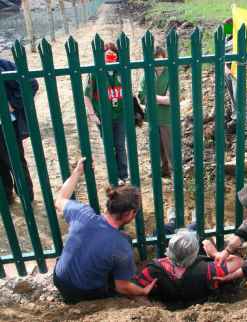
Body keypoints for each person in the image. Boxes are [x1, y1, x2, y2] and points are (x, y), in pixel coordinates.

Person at [53, 158, 155, 303]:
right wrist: (143, 291)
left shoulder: (82, 213)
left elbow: (59, 199)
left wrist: (77, 172)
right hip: (84, 293)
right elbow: (122, 287)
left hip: (60, 280)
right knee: (116, 283)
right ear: (128, 214)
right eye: (135, 212)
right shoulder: (121, 246)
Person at [132, 229, 243, 304]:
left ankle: (174, 222)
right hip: (195, 300)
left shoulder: (153, 270)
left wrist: (152, 306)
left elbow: (134, 290)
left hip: (170, 304)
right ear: (195, 254)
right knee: (194, 229)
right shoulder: (209, 270)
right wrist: (214, 254)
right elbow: (238, 261)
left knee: (163, 229)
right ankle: (192, 225)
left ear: (169, 249)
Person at [84, 42, 129, 186]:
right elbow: (87, 96)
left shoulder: (121, 71)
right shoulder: (95, 73)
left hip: (120, 115)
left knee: (120, 145)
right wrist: (92, 115)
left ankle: (123, 175)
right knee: (110, 146)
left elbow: (127, 92)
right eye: (106, 52)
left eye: (113, 52)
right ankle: (113, 175)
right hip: (104, 117)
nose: (110, 55)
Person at [0, 58, 37, 204]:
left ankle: (26, 196)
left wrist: (12, 104)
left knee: (15, 162)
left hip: (6, 125)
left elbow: (30, 83)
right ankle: (6, 197)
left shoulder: (3, 65)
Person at [138, 46, 172, 178]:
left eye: (161, 59)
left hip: (167, 117)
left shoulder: (170, 73)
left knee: (170, 147)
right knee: (155, 146)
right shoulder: (146, 75)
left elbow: (171, 99)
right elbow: (142, 96)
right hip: (152, 116)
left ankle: (172, 171)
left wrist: (153, 97)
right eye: (155, 60)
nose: (158, 63)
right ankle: (159, 170)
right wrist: (160, 98)